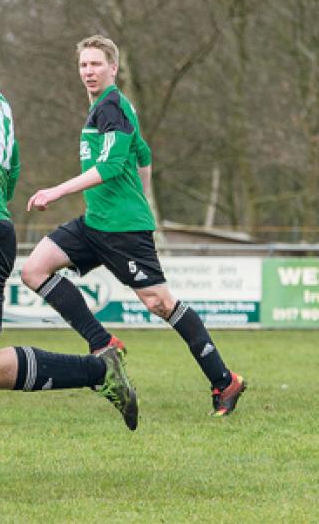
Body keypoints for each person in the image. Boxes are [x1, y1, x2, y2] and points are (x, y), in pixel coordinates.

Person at [22, 35, 247, 417]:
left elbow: (110, 168)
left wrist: (56, 192)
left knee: (160, 303)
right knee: (33, 269)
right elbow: (143, 153)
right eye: (83, 65)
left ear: (113, 68)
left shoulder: (113, 106)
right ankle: (102, 341)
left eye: (96, 64)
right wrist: (143, 194)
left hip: (123, 230)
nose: (89, 71)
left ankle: (225, 381)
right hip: (95, 224)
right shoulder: (106, 108)